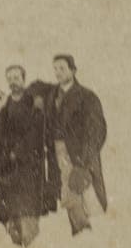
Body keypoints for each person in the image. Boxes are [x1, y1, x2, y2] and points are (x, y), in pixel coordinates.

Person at [29, 54, 108, 236]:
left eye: (62, 68)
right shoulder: (52, 93)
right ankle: (81, 231)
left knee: (86, 193)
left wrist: (83, 160)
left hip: (79, 152)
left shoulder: (87, 96)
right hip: (56, 151)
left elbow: (97, 130)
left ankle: (90, 233)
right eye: (55, 68)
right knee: (68, 193)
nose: (57, 72)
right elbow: (35, 85)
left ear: (73, 70)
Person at [0, 65, 53, 247]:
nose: (13, 81)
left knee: (27, 208)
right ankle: (15, 244)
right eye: (10, 78)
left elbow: (36, 131)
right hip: (6, 163)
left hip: (28, 163)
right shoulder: (4, 104)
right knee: (7, 209)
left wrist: (18, 152)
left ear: (23, 79)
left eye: (17, 77)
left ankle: (30, 247)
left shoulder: (33, 101)